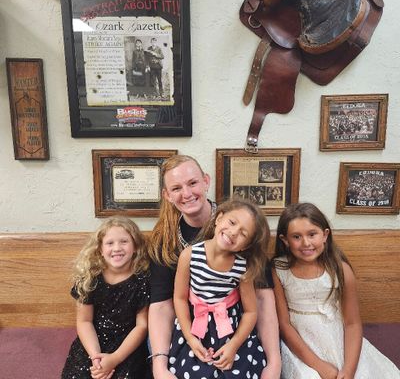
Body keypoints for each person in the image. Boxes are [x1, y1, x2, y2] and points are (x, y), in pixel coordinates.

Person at [147, 155, 281, 379]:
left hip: (234, 333)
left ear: (206, 181)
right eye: (176, 188)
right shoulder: (165, 242)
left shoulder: (240, 222)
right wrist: (159, 366)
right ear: (167, 195)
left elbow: (261, 300)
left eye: (193, 183)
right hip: (191, 333)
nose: (187, 194)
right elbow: (163, 305)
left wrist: (274, 361)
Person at [272, 202, 400, 379]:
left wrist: (349, 370)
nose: (306, 243)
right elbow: (284, 325)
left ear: (325, 235)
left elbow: (352, 323)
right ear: (285, 240)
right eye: (296, 237)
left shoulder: (340, 269)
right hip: (301, 348)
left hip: (340, 343)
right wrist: (319, 366)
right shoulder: (279, 270)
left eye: (312, 234)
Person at [169, 199, 271, 378]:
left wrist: (233, 346)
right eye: (232, 222)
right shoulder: (189, 255)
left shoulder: (243, 267)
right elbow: (180, 298)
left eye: (243, 234)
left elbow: (251, 312)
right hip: (194, 327)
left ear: (246, 246)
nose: (233, 232)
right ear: (219, 218)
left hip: (230, 330)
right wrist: (191, 339)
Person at [62, 216, 152, 379]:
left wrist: (115, 358)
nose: (117, 248)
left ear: (136, 247)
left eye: (124, 242)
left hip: (127, 345)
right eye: (110, 243)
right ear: (100, 250)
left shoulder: (143, 280)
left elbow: (142, 326)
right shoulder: (90, 279)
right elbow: (84, 321)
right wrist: (96, 357)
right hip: (93, 342)